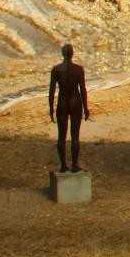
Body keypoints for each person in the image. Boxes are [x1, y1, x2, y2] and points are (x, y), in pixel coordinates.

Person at [48, 44, 90, 173]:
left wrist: (51, 108)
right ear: (72, 54)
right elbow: (82, 89)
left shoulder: (57, 70)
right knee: (75, 136)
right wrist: (86, 107)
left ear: (62, 54)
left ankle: (63, 165)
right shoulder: (78, 69)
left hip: (62, 102)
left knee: (61, 136)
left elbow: (52, 91)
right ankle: (74, 165)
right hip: (75, 101)